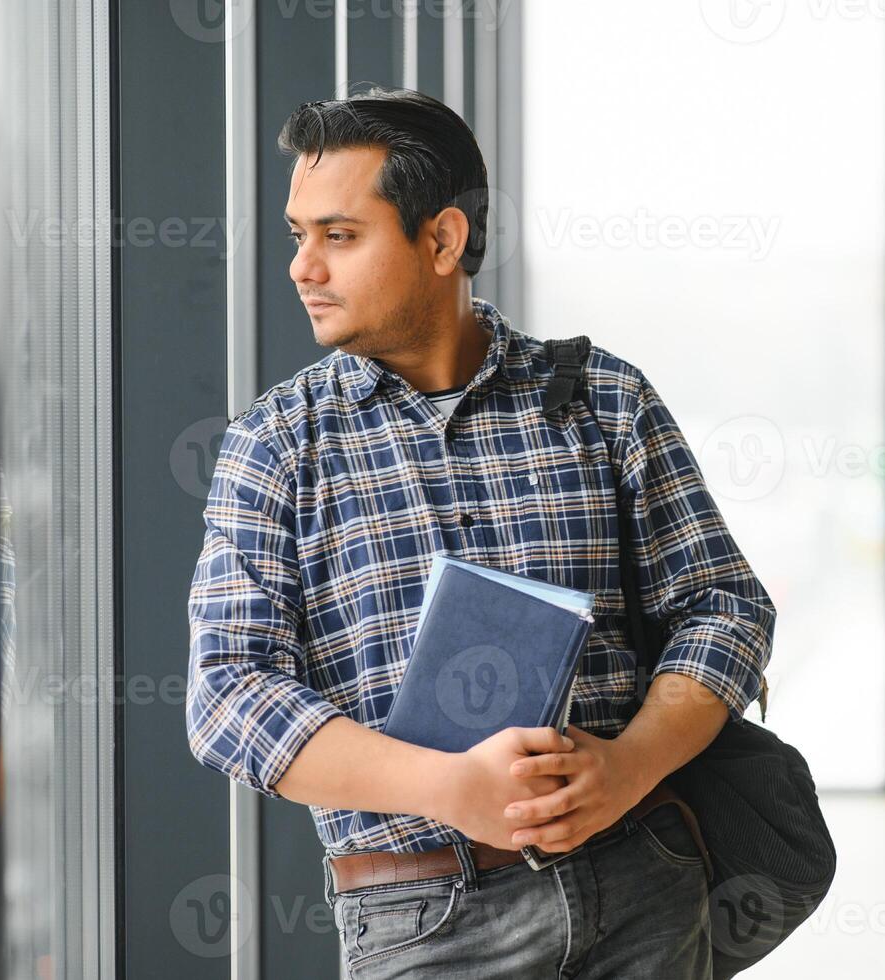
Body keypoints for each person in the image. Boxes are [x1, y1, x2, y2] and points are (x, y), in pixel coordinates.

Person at [185, 88, 777, 980]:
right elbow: (228, 695)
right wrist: (449, 788)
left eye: (338, 236)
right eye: (296, 234)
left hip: (643, 883)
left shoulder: (603, 399)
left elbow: (724, 606)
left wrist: (626, 766)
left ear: (442, 240)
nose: (303, 266)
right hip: (421, 919)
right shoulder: (276, 445)